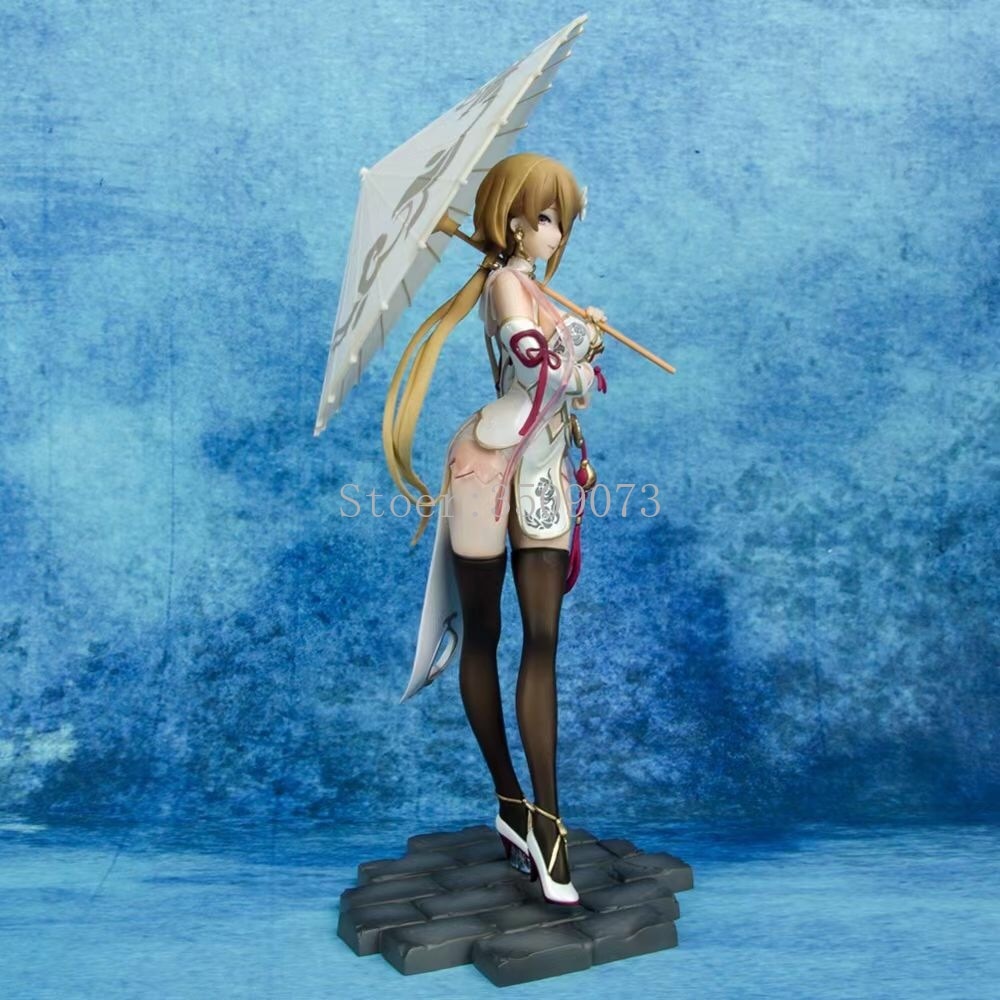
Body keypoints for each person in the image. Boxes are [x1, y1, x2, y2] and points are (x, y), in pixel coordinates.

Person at [382, 153, 607, 905]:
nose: (556, 233)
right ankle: (514, 803)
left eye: (561, 219)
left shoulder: (535, 286)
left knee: (542, 638)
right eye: (545, 218)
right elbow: (537, 367)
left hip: (542, 472)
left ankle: (546, 819)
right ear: (512, 221)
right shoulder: (506, 285)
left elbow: (570, 382)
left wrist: (581, 338)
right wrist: (579, 346)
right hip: (487, 464)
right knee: (483, 634)